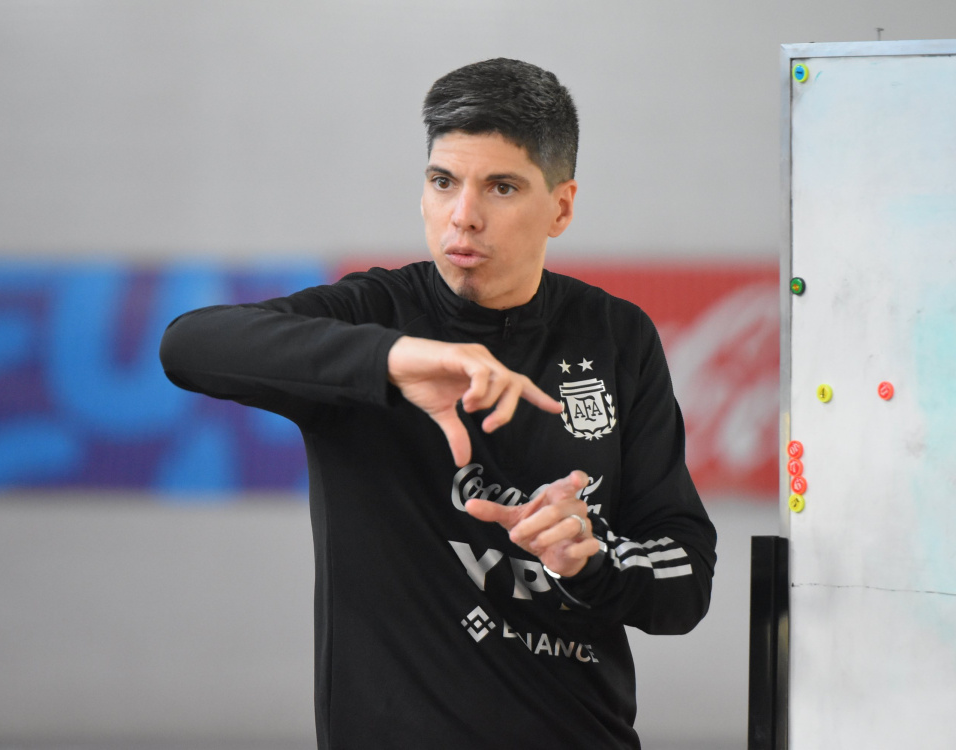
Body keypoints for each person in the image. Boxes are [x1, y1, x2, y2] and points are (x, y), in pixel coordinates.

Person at [160, 58, 716, 750]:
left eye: (501, 187)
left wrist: (591, 556)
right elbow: (188, 345)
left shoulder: (617, 336)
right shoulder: (372, 316)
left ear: (561, 207)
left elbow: (686, 582)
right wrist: (392, 361)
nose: (464, 216)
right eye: (443, 181)